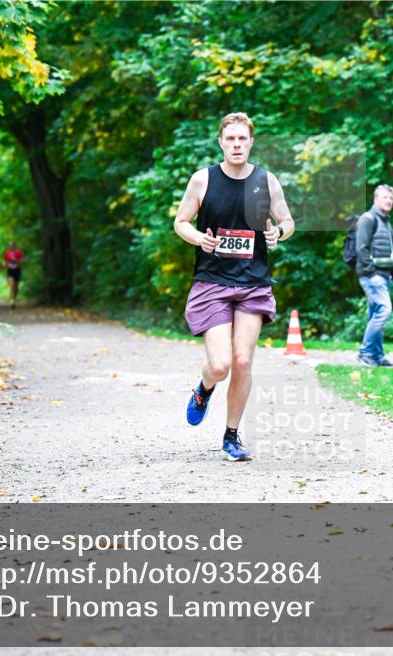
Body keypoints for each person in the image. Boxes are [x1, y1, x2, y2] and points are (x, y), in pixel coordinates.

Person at [173, 112, 295, 462]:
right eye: (231, 139)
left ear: (251, 142)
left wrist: (278, 232)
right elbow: (181, 221)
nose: (237, 144)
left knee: (243, 361)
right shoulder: (203, 180)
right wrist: (199, 239)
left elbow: (287, 220)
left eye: (243, 139)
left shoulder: (266, 181)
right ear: (221, 142)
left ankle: (231, 436)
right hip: (212, 282)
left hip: (253, 283)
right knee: (221, 364)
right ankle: (204, 388)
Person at [354, 184, 393, 367]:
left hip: (385, 276)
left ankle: (377, 356)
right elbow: (361, 248)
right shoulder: (368, 219)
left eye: (391, 198)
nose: (389, 201)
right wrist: (371, 272)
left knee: (375, 314)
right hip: (372, 275)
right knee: (384, 310)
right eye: (385, 197)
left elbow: (391, 254)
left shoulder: (386, 222)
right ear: (376, 199)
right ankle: (365, 352)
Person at [3, 241, 24, 308]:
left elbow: (22, 261)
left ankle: (14, 299)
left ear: (14, 246)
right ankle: (12, 300)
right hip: (10, 270)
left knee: (16, 287)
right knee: (12, 285)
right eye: (9, 245)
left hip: (17, 270)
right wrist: (5, 264)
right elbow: (5, 262)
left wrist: (16, 260)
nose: (10, 246)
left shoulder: (18, 253)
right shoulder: (6, 253)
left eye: (12, 245)